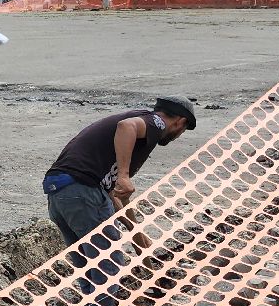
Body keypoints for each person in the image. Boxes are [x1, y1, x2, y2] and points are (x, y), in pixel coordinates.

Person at [43, 97, 197, 246]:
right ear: (180, 122)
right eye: (183, 130)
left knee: (88, 266)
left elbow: (114, 194)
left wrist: (137, 235)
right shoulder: (157, 123)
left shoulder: (132, 139)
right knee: (108, 265)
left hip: (59, 191)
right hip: (82, 189)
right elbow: (126, 126)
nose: (178, 136)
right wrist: (123, 175)